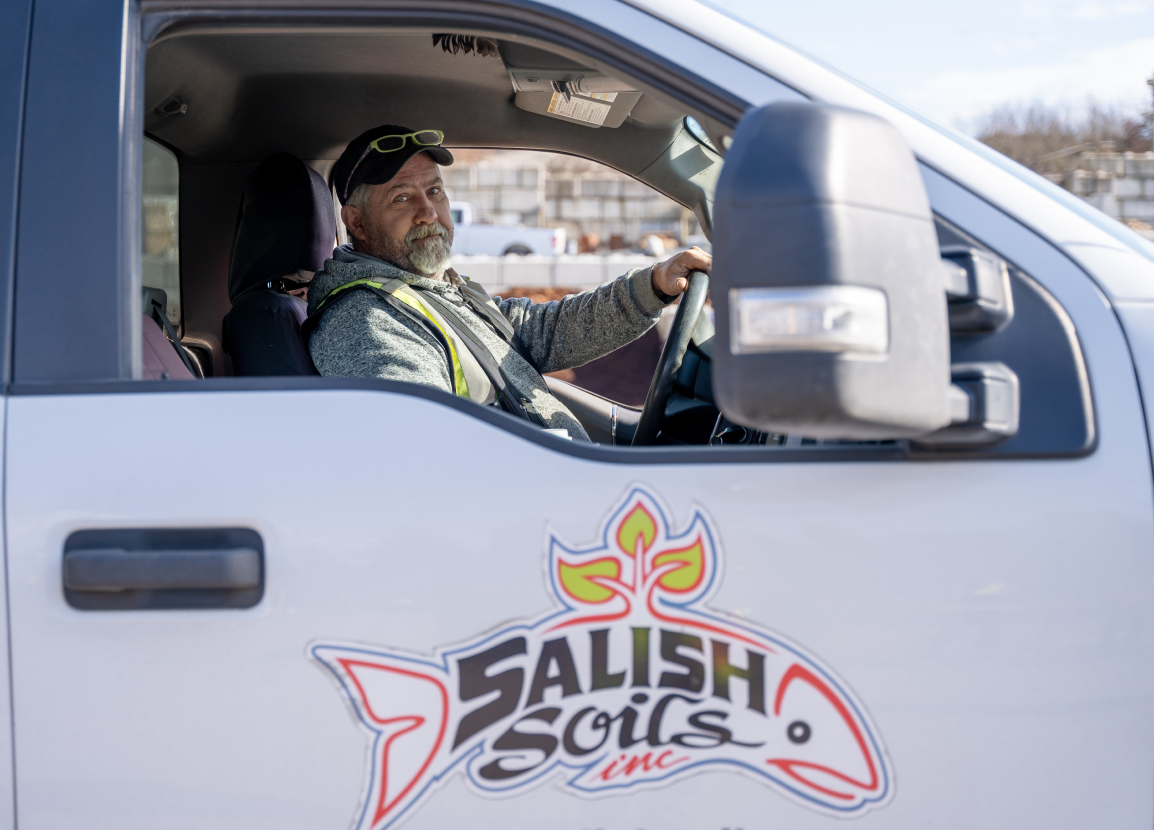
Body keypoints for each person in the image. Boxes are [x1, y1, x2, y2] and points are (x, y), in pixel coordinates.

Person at [304, 124, 712, 442]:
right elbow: (431, 457)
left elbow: (543, 331)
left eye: (434, 190)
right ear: (356, 222)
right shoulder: (367, 323)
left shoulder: (432, 292)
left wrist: (652, 286)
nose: (428, 211)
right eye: (401, 198)